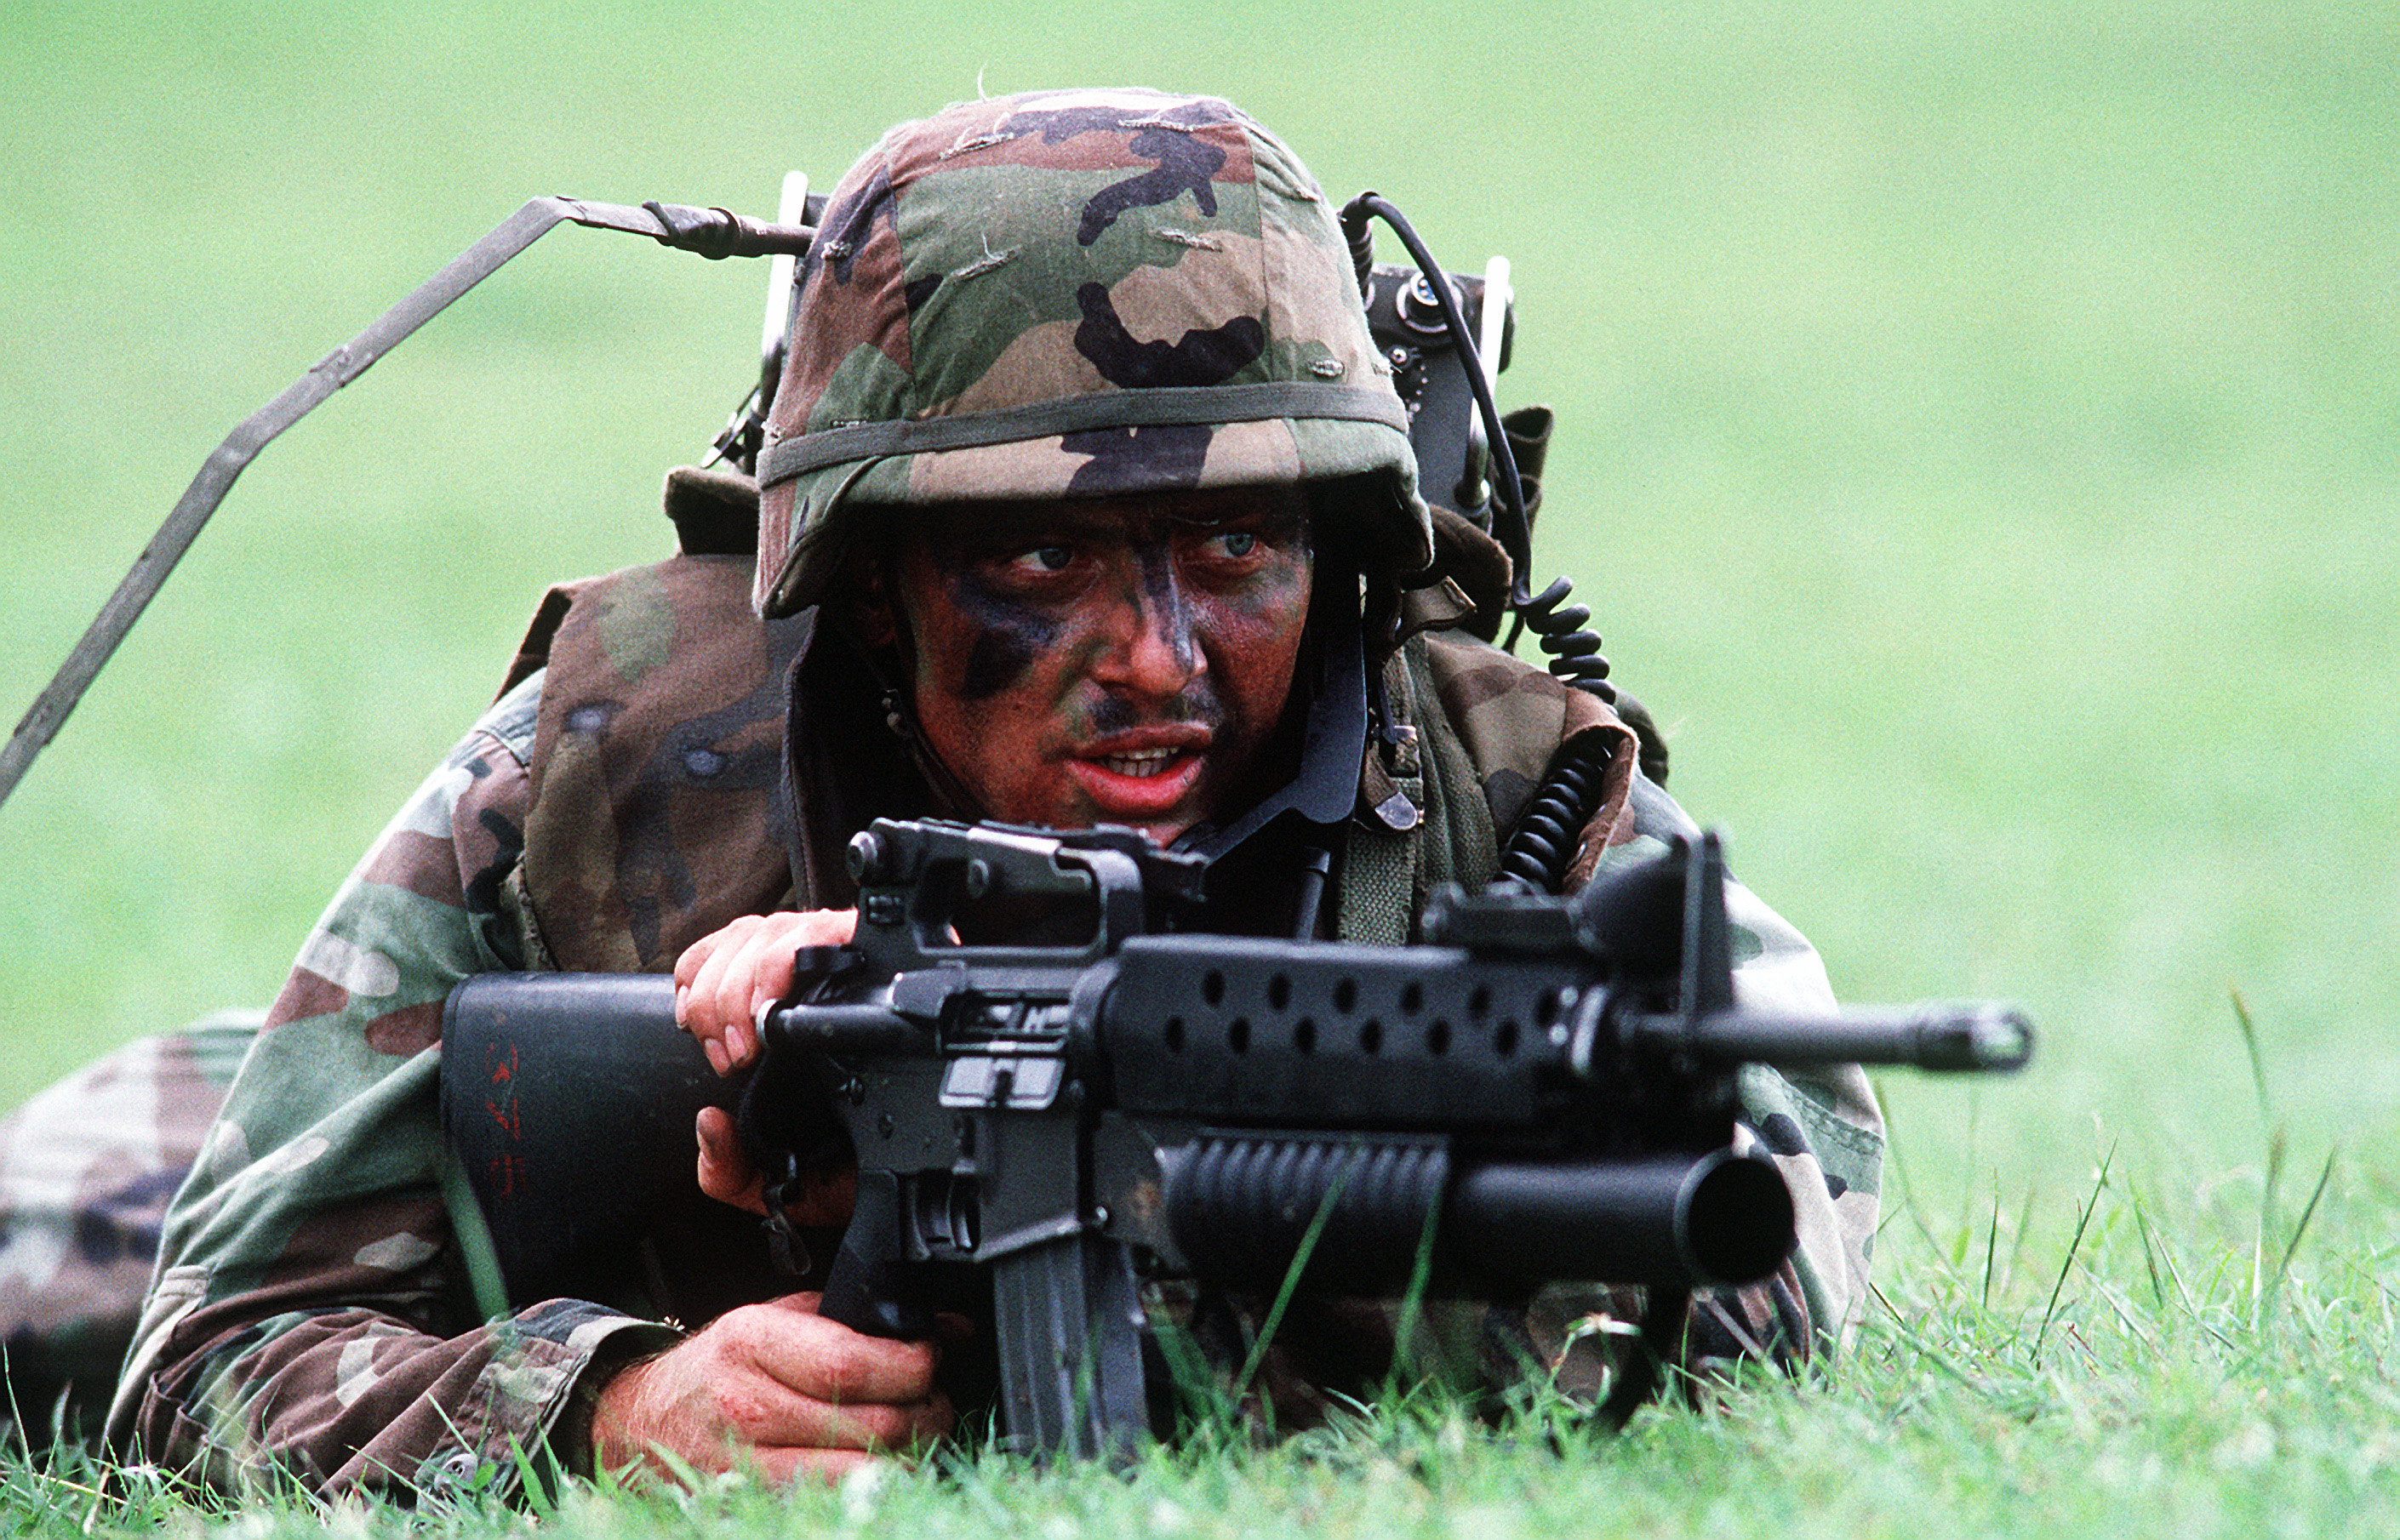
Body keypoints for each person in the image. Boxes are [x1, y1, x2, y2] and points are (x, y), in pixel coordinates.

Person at [89, 88, 1883, 1500]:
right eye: (1044, 556)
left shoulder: (1513, 788)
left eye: (1237, 547)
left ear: (1337, 549)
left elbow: (1780, 1268)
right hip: (178, 1131)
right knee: (49, 1259)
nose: (1160, 658)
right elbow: (210, 1348)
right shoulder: (612, 760)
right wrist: (611, 1408)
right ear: (874, 586)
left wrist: (1168, 1169)